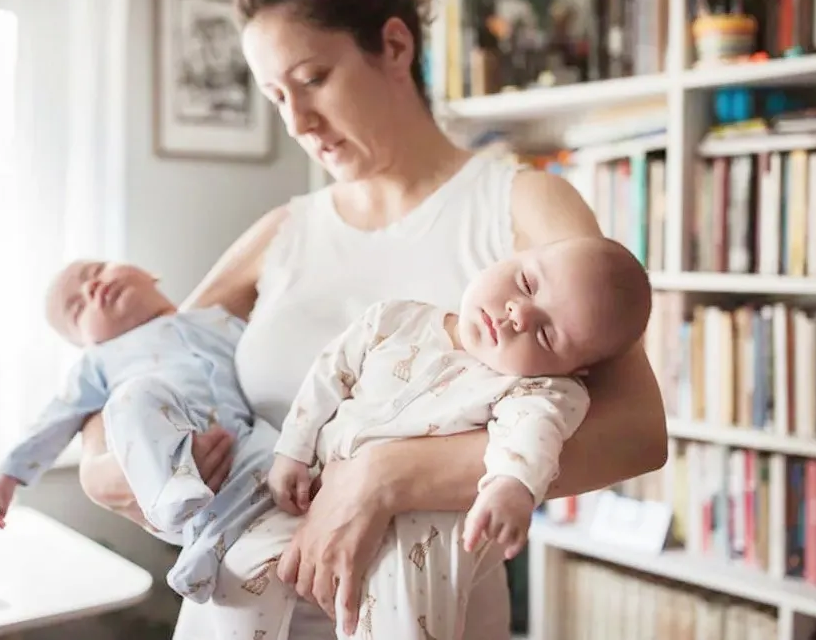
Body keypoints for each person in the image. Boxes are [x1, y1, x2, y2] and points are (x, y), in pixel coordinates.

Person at [77, 0, 668, 637]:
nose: (297, 121)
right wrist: (99, 470)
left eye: (312, 79)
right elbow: (141, 359)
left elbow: (636, 433)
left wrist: (383, 476)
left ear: (394, 45)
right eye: (275, 95)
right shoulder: (282, 232)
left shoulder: (521, 205)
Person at [208, 236, 651, 640]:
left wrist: (511, 487)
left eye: (546, 334)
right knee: (237, 572)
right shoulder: (394, 319)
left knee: (399, 626)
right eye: (527, 284)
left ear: (573, 370)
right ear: (514, 255)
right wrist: (294, 449)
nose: (518, 315)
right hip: (313, 492)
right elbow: (328, 376)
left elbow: (533, 435)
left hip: (415, 538)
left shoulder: (534, 389)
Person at [0, 260, 277, 602]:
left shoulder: (216, 321)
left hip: (241, 445)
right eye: (77, 308)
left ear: (149, 273)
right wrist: (9, 474)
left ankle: (201, 557)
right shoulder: (99, 362)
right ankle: (171, 492)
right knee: (134, 396)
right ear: (86, 342)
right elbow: (56, 416)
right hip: (170, 461)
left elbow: (266, 360)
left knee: (276, 450)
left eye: (95, 272)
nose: (91, 287)